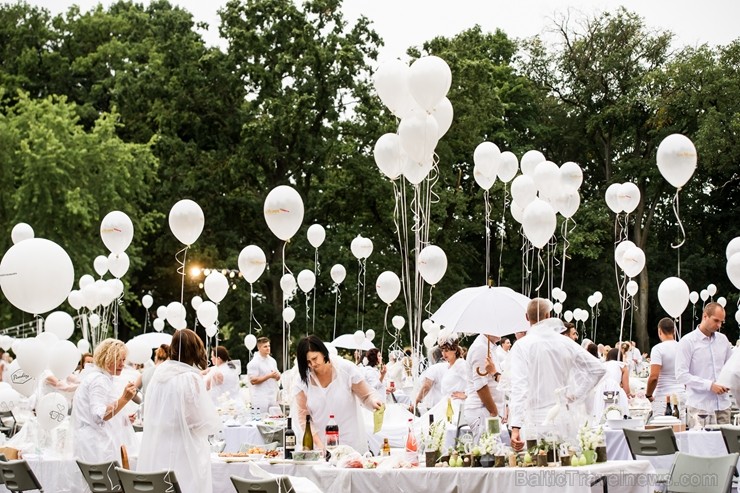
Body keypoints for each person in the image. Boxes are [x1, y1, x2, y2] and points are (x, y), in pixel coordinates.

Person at [508, 298, 605, 451]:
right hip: (563, 417)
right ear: (549, 315)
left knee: (536, 467)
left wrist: (515, 426)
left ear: (527, 317)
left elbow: (519, 387)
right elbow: (598, 369)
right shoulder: (565, 342)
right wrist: (576, 396)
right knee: (567, 465)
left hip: (535, 421)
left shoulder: (522, 346)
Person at [138, 329, 221, 493]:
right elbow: (197, 421)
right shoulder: (189, 378)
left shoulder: (158, 375)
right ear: (195, 350)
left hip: (159, 446)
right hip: (185, 450)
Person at [293, 335, 383, 453]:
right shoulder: (302, 380)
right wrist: (319, 445)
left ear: (323, 352)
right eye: (308, 362)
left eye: (315, 358)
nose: (312, 364)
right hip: (320, 444)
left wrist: (374, 402)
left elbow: (366, 395)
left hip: (350, 441)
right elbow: (303, 417)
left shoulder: (346, 369)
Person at [71, 338, 138, 463]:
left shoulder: (98, 377)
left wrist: (122, 418)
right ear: (107, 358)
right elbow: (99, 415)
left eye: (124, 360)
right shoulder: (99, 380)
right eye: (119, 359)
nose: (123, 364)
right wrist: (124, 399)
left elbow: (97, 410)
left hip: (92, 443)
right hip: (95, 447)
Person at [676, 302, 732, 427]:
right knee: (701, 445)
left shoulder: (723, 340)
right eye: (716, 320)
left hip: (723, 404)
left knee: (726, 445)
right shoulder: (687, 342)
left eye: (721, 322)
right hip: (700, 407)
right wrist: (709, 385)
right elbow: (681, 375)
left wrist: (729, 382)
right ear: (705, 316)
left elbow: (730, 368)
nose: (719, 325)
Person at [465, 333, 505, 442]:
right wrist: (494, 412)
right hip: (483, 410)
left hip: (487, 411)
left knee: (493, 451)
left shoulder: (488, 348)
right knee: (489, 453)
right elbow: (480, 385)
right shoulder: (481, 348)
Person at [645, 318, 685, 416]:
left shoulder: (658, 349)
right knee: (680, 428)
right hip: (681, 394)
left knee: (662, 429)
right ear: (674, 331)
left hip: (663, 395)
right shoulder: (682, 347)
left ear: (659, 331)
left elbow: (654, 377)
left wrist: (649, 394)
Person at [591, 347, 631, 421]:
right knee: (617, 414)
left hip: (602, 391)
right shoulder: (622, 365)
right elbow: (626, 389)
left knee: (601, 415)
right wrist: (628, 394)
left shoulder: (602, 365)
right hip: (616, 391)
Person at [246, 337, 280, 414]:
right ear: (259, 348)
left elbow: (277, 376)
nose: (268, 348)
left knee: (273, 420)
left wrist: (277, 376)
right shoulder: (254, 362)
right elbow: (253, 381)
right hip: (260, 397)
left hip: (272, 396)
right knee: (260, 421)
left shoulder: (272, 361)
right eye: (265, 346)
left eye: (269, 346)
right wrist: (269, 376)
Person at [412, 346, 446, 411]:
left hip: (436, 404)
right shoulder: (450, 366)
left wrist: (417, 401)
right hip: (448, 402)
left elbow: (426, 386)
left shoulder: (434, 368)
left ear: (433, 356)